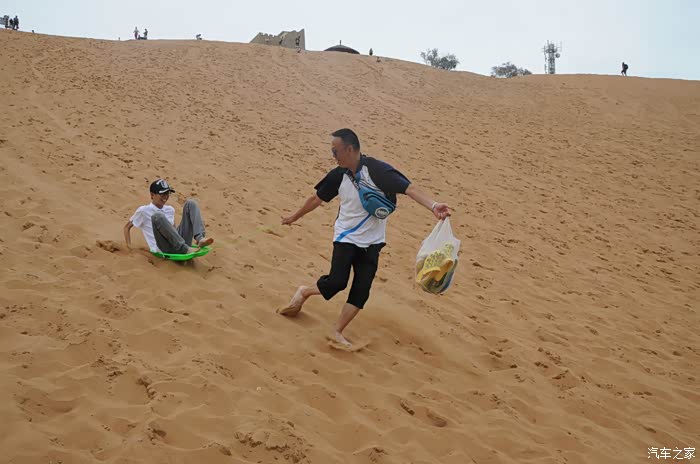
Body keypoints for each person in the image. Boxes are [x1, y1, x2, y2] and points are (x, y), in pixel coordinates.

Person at [278, 129, 451, 347]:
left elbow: (409, 188)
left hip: (373, 242)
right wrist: (294, 217)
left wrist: (434, 206)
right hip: (345, 237)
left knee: (361, 291)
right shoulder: (338, 175)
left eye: (335, 151)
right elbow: (316, 199)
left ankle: (336, 331)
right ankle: (304, 292)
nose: (333, 156)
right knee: (337, 282)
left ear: (349, 149)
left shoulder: (377, 170)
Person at [124, 179, 214, 254]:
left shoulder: (170, 209)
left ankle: (200, 238)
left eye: (167, 194)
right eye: (162, 194)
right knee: (157, 216)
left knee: (191, 203)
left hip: (178, 244)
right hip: (163, 248)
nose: (165, 197)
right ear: (152, 195)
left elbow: (173, 230)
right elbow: (127, 227)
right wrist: (129, 246)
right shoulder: (143, 210)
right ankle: (185, 248)